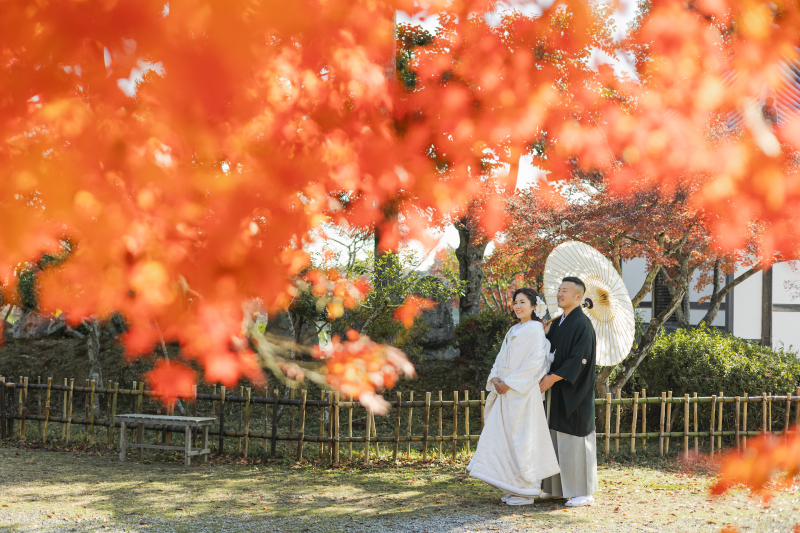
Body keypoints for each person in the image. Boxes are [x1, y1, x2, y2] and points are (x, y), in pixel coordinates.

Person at [467, 288, 561, 506]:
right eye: (515, 302)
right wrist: (497, 380)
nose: (517, 306)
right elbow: (500, 359)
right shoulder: (514, 329)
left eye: (523, 302)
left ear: (534, 306)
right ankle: (511, 485)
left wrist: (510, 383)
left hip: (522, 394)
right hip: (506, 392)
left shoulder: (536, 329)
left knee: (523, 439)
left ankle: (526, 489)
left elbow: (535, 362)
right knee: (504, 439)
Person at [539, 276, 599, 507]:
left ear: (578, 297)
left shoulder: (582, 324)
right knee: (554, 437)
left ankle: (584, 491)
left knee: (576, 439)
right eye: (559, 290)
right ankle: (555, 488)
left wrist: (554, 376)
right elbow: (552, 351)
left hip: (575, 391)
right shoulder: (560, 322)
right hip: (557, 390)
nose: (559, 294)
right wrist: (545, 335)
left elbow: (579, 359)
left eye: (565, 290)